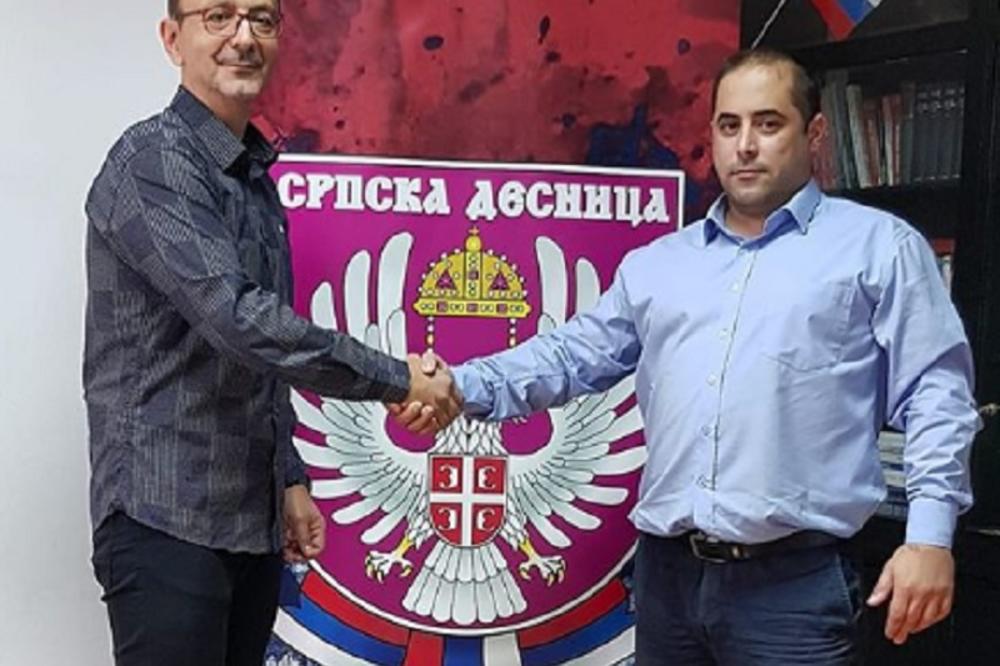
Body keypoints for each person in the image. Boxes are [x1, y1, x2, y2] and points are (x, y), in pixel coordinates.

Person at [396, 48, 979, 664]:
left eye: (768, 124)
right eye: (729, 125)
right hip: (669, 580)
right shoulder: (659, 265)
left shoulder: (878, 248)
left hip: (793, 587)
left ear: (814, 134)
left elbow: (937, 392)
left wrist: (930, 537)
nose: (745, 145)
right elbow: (568, 357)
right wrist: (456, 384)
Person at [83, 2, 458, 664]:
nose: (243, 37)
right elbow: (239, 320)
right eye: (219, 16)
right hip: (164, 517)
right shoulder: (153, 161)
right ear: (172, 39)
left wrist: (287, 478)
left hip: (247, 524)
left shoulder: (255, 180)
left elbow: (260, 357)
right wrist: (397, 379)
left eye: (261, 18)